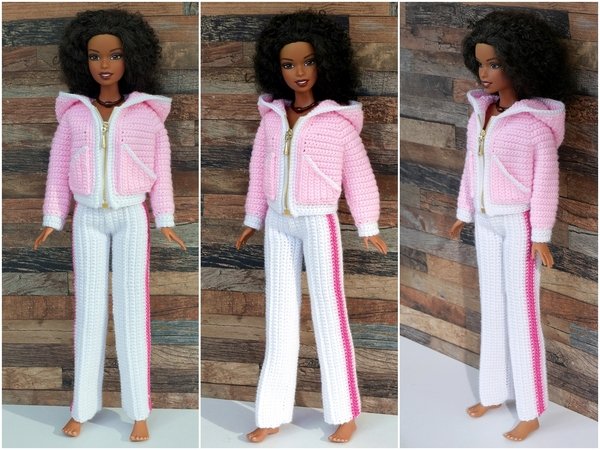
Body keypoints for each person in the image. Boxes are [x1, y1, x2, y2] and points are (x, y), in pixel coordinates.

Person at [235, 10, 388, 444]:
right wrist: (252, 219)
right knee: (279, 317)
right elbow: (259, 170)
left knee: (329, 313)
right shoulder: (272, 118)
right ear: (276, 68)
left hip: (320, 221)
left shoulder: (337, 123)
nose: (299, 72)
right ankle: (271, 413)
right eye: (288, 64)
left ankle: (345, 411)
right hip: (278, 223)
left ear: (325, 63)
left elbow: (359, 176)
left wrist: (368, 224)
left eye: (308, 62)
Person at [33, 9, 186, 441]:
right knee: (89, 312)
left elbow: (162, 171)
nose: (104, 64)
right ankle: (82, 407)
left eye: (115, 55)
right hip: (87, 218)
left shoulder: (146, 116)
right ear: (81, 60)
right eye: (95, 56)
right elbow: (58, 169)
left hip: (132, 216)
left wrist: (165, 218)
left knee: (132, 311)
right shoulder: (75, 115)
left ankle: (139, 410)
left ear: (130, 58)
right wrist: (52, 217)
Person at [449, 10, 570, 441]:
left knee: (522, 313)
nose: (484, 73)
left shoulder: (534, 127)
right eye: (480, 63)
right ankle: (493, 392)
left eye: (495, 64)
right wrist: (464, 212)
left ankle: (532, 408)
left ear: (520, 64)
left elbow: (545, 186)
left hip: (519, 225)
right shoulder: (479, 115)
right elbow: (471, 166)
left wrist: (540, 236)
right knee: (493, 306)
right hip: (485, 222)